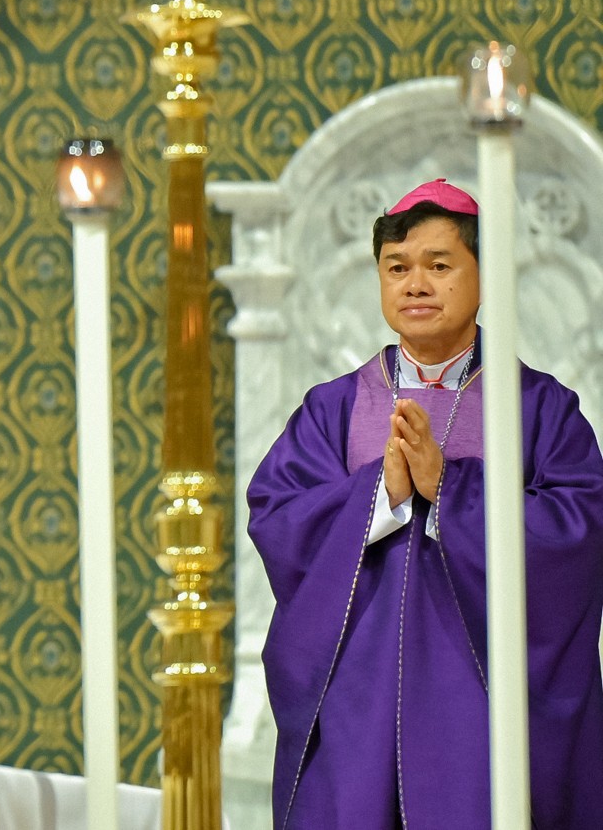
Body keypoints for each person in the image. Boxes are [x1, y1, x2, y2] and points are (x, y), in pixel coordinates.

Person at [248, 179, 603, 829]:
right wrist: (380, 493)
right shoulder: (335, 408)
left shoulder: (538, 409)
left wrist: (452, 491)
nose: (415, 285)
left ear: (485, 275)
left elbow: (579, 532)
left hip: (483, 716)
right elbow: (278, 517)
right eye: (397, 268)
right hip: (354, 711)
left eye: (439, 266)